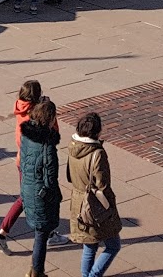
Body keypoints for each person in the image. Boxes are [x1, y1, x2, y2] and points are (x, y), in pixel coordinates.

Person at [67, 110, 123, 277]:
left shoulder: (73, 146)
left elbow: (70, 175)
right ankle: (93, 275)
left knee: (89, 244)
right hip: (94, 204)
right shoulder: (97, 153)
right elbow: (102, 185)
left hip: (78, 202)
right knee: (113, 245)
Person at [0, 78, 43, 254]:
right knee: (33, 198)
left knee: (29, 197)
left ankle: (4, 235)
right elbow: (50, 134)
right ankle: (3, 234)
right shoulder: (35, 114)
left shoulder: (21, 109)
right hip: (33, 162)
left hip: (22, 159)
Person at [19, 98, 63, 277]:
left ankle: (34, 270)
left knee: (39, 232)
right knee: (41, 235)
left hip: (28, 188)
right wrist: (55, 197)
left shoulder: (27, 135)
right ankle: (37, 272)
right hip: (41, 195)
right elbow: (51, 178)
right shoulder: (48, 146)